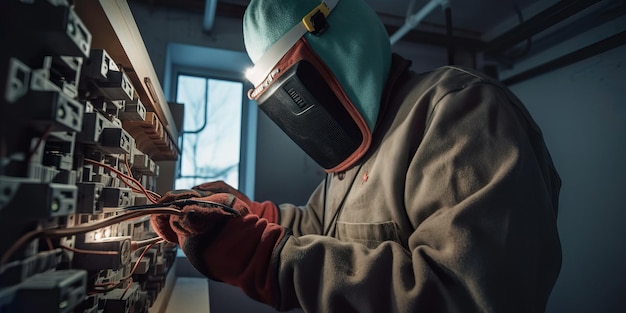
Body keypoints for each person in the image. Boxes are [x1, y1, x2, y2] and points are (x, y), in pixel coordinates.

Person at [150, 0, 562, 312]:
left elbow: (465, 294)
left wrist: (266, 259)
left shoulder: (456, 110)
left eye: (285, 73)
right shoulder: (354, 154)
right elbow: (317, 227)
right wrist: (250, 216)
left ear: (332, 37)